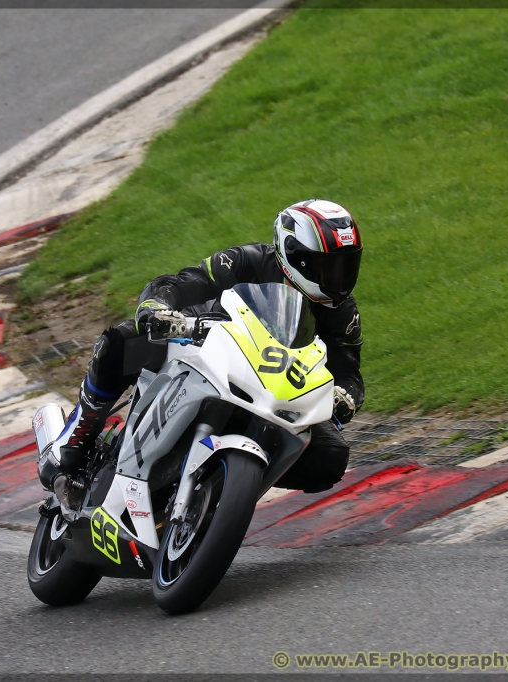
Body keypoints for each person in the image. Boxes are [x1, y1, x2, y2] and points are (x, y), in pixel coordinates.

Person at [39, 199, 365, 500]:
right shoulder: (247, 261)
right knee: (120, 341)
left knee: (330, 457)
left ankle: (222, 490)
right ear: (296, 255)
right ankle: (76, 439)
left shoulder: (342, 311)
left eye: (346, 266)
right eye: (329, 267)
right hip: (205, 342)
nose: (339, 278)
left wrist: (343, 398)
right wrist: (157, 309)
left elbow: (349, 375)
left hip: (272, 387)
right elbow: (183, 283)